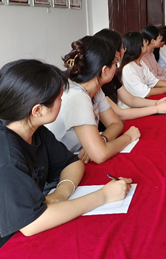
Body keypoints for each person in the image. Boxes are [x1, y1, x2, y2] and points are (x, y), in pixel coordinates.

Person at [0, 60, 132, 259]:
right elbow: (32, 224)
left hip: (7, 236)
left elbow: (72, 164)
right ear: (37, 110)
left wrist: (61, 193)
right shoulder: (4, 156)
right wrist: (103, 196)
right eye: (59, 98)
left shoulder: (34, 131)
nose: (62, 101)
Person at [46, 36, 140, 164]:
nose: (116, 68)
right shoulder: (77, 96)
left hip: (75, 158)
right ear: (104, 70)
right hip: (58, 167)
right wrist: (128, 137)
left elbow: (116, 123)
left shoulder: (94, 88)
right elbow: (100, 155)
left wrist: (103, 139)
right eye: (115, 64)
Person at [93, 29, 166, 124]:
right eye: (121, 47)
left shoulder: (110, 77)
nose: (124, 50)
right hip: (125, 116)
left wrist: (156, 103)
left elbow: (131, 99)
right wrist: (156, 108)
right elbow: (120, 114)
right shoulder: (98, 84)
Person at [121, 31, 166, 99]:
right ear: (138, 47)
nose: (147, 43)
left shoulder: (141, 62)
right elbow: (146, 92)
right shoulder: (129, 68)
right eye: (145, 42)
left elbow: (154, 81)